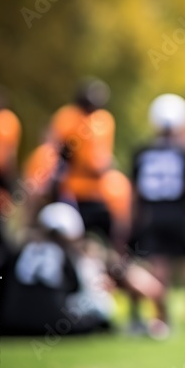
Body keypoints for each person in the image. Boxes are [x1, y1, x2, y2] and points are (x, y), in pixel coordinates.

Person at [129, 94, 185, 337]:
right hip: (180, 216)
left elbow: (134, 194)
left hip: (152, 216)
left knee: (158, 268)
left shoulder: (143, 151)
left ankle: (162, 320)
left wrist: (130, 222)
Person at [0, 203, 111, 336]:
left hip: (12, 322)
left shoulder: (18, 252)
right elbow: (75, 287)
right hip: (54, 324)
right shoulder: (66, 256)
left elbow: (1, 283)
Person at [49, 79, 116, 244]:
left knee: (103, 233)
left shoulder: (104, 120)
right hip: (71, 188)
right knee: (68, 232)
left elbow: (104, 156)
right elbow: (58, 151)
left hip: (97, 189)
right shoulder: (68, 117)